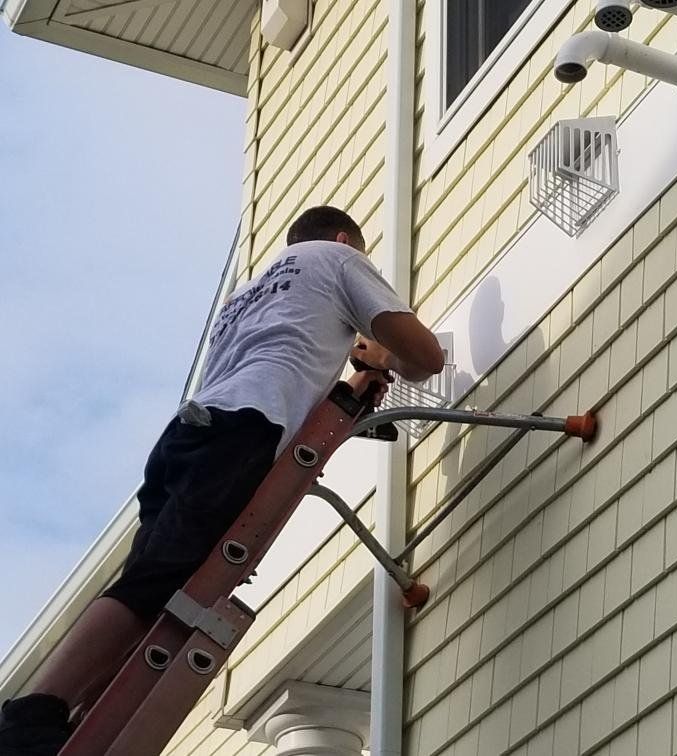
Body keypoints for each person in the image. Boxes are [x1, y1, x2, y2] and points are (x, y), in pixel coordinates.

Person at [0, 206, 444, 754]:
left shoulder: (249, 294)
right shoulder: (338, 258)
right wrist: (382, 353)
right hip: (243, 426)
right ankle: (31, 715)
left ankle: (74, 723)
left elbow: (282, 360)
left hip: (191, 434)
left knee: (154, 590)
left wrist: (350, 382)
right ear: (343, 239)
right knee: (155, 586)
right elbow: (425, 357)